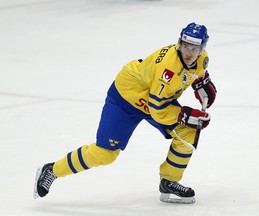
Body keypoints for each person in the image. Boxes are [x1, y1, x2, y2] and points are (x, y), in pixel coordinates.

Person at [33, 22, 217, 204]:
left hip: (153, 97)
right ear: (180, 43)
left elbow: (194, 73)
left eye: (194, 48)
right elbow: (158, 109)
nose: (189, 53)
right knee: (105, 154)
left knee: (188, 132)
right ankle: (52, 170)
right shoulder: (168, 70)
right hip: (126, 97)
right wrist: (185, 115)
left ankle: (169, 181)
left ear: (202, 49)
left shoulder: (202, 59)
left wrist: (200, 82)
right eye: (186, 47)